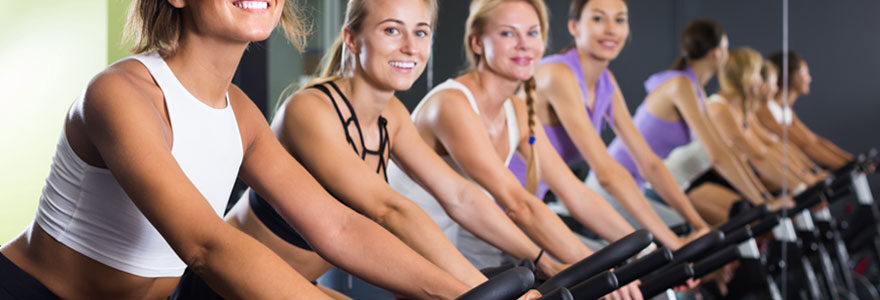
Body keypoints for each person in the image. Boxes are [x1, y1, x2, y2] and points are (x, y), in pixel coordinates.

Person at [0, 1, 474, 299]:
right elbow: (207, 245)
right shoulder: (121, 94)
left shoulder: (242, 114)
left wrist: (464, 293)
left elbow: (339, 227)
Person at [221, 0, 561, 297]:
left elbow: (460, 196)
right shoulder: (310, 110)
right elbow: (389, 210)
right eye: (392, 31)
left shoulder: (392, 116)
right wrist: (481, 290)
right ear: (352, 39)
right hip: (225, 282)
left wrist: (546, 260)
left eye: (421, 32)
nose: (411, 48)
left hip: (293, 284)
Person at [389, 0, 644, 298]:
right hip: (404, 254)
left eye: (533, 33)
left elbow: (574, 192)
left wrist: (643, 248)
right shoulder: (452, 105)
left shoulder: (517, 110)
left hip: (444, 248)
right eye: (508, 34)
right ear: (477, 42)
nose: (524, 45)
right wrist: (590, 265)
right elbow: (517, 204)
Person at [509, 0, 709, 242]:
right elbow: (606, 173)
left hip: (530, 210)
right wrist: (671, 241)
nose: (611, 29)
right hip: (502, 208)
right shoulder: (557, 75)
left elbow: (650, 164)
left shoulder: (606, 82)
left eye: (620, 19)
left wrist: (700, 226)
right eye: (598, 18)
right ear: (574, 26)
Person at [606, 19, 782, 225]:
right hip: (615, 185)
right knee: (688, 236)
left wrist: (764, 200)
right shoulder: (681, 86)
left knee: (693, 236)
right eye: (726, 48)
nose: (727, 54)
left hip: (637, 186)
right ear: (716, 53)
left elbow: (724, 151)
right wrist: (763, 202)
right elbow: (717, 156)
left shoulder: (696, 92)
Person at [706, 48, 821, 196]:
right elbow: (756, 157)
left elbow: (768, 146)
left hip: (720, 176)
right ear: (746, 76)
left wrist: (808, 176)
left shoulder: (742, 110)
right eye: (757, 76)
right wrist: (801, 186)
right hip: (698, 181)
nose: (761, 83)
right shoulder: (719, 108)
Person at [756, 51, 853, 170]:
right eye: (805, 73)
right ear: (791, 76)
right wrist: (845, 165)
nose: (809, 78)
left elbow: (814, 140)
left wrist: (850, 160)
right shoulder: (765, 109)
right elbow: (803, 144)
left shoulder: (787, 111)